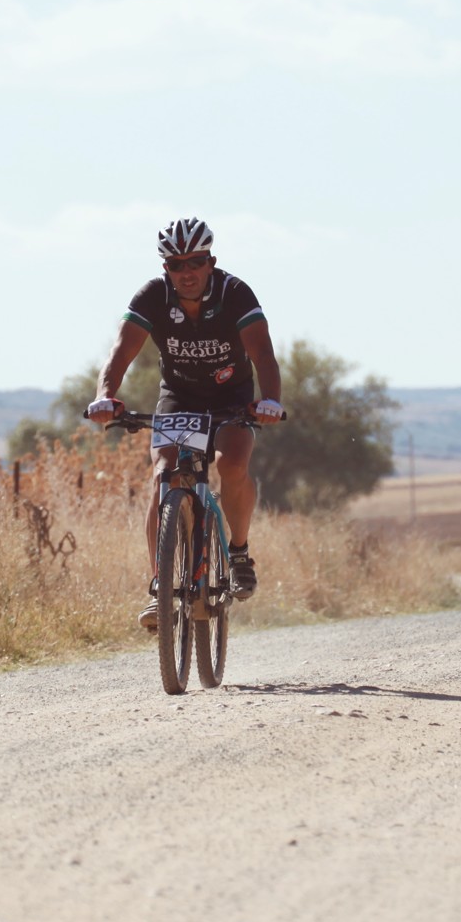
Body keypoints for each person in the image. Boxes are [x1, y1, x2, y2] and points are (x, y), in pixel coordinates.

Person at [86, 218, 284, 630]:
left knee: (231, 466)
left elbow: (263, 354)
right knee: (164, 476)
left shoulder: (234, 293)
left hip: (232, 399)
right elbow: (121, 351)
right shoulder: (153, 297)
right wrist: (105, 396)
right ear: (166, 269)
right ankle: (161, 587)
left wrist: (269, 401)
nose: (187, 271)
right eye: (177, 265)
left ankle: (240, 551)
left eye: (196, 261)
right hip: (179, 398)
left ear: (210, 261)